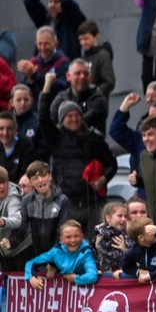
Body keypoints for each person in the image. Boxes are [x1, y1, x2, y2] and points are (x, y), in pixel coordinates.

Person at [38, 72, 117, 236]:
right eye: (69, 116)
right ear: (61, 120)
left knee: (95, 246)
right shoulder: (56, 138)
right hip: (67, 203)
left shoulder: (94, 138)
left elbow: (112, 164)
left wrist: (103, 179)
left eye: (77, 115)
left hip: (93, 203)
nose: (74, 119)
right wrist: (46, 87)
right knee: (70, 246)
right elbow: (43, 116)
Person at [23, 0, 87, 60]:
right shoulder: (45, 19)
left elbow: (67, 0)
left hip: (66, 69)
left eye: (56, 2)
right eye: (50, 1)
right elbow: (29, 2)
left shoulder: (73, 20)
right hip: (44, 67)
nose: (52, 5)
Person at [13, 161, 70, 256]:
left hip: (57, 256)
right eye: (35, 178)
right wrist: (10, 243)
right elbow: (22, 230)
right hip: (34, 256)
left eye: (44, 175)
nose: (40, 180)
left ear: (50, 176)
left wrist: (53, 259)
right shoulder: (26, 201)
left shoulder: (63, 201)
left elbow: (61, 233)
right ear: (30, 182)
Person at [25, 219, 98, 290]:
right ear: (61, 239)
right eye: (68, 237)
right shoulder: (56, 251)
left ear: (82, 237)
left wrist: (76, 278)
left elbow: (92, 276)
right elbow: (31, 262)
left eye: (76, 236)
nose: (72, 240)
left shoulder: (86, 252)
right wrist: (31, 277)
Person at [49, 59, 109, 134]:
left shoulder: (98, 100)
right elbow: (49, 124)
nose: (82, 77)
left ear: (90, 77)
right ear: (68, 76)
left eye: (86, 73)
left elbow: (80, 125)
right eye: (78, 73)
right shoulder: (61, 98)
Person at [17, 26, 70, 100]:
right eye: (40, 44)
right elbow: (23, 89)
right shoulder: (32, 63)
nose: (42, 48)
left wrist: (35, 75)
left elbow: (61, 87)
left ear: (56, 44)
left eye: (46, 44)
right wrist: (30, 80)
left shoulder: (63, 62)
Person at [76, 20, 116, 99]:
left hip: (98, 102)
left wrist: (93, 94)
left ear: (96, 36)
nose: (83, 42)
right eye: (81, 39)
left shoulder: (103, 55)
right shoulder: (84, 57)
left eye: (86, 38)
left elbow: (109, 82)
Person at [93, 202, 134, 275]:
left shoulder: (128, 234)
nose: (123, 219)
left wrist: (125, 249)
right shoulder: (99, 233)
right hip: (105, 272)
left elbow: (134, 254)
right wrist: (97, 247)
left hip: (123, 271)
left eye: (125, 216)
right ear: (108, 218)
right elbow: (93, 254)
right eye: (120, 216)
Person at [121, 216, 156, 281]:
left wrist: (150, 275)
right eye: (151, 230)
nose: (155, 230)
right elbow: (125, 267)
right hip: (148, 288)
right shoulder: (132, 252)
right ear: (141, 238)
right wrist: (138, 271)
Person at [0, 112, 35, 185]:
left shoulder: (26, 146)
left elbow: (25, 177)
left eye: (9, 128)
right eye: (1, 128)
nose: (5, 133)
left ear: (16, 129)